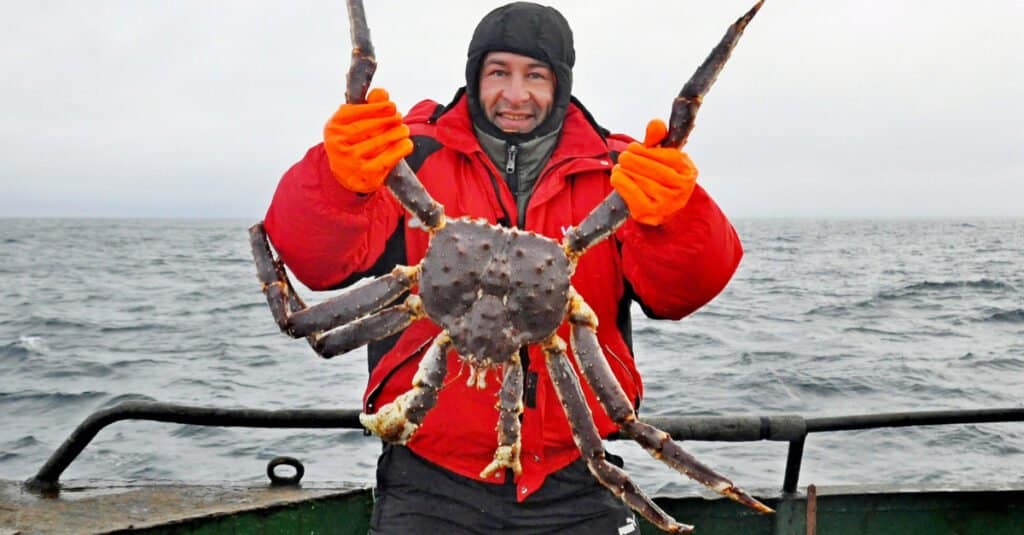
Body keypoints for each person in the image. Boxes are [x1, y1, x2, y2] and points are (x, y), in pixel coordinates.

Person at [264, 2, 743, 533]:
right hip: (427, 477)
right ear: (475, 77)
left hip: (576, 472)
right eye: (499, 73)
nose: (516, 95)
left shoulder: (622, 176)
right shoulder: (406, 153)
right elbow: (315, 262)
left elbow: (685, 292)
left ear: (559, 85)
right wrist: (340, 182)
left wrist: (675, 217)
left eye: (535, 76)